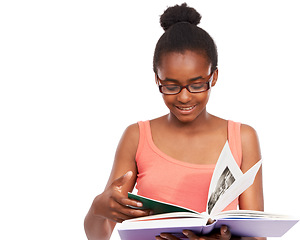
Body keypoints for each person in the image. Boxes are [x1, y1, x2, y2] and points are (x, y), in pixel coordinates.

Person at [84, 3, 265, 240]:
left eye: (197, 84)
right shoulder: (136, 136)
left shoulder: (242, 137)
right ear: (157, 79)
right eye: (170, 86)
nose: (184, 97)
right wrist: (98, 209)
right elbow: (99, 235)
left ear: (214, 77)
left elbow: (258, 236)